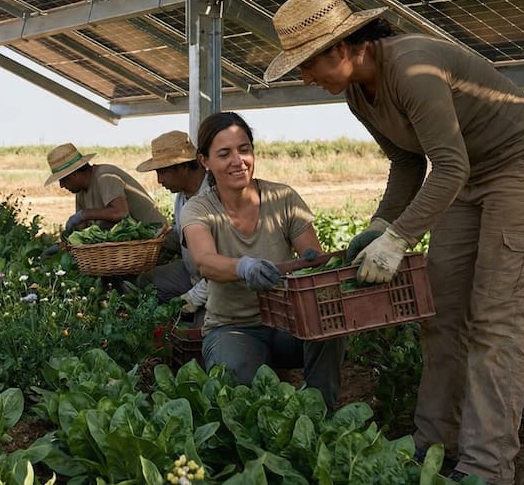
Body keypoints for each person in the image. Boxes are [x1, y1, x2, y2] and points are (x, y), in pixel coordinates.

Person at [265, 0, 524, 485]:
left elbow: (447, 167)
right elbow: (409, 160)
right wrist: (381, 225)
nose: (305, 76)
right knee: (441, 314)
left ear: (341, 48)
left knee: (496, 323)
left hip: (523, 166)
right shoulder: (358, 97)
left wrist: (400, 238)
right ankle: (431, 446)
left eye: (307, 63)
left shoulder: (410, 67)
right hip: (465, 178)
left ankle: (485, 468)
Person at [180, 111, 345, 409]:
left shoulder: (283, 198)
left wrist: (313, 261)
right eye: (224, 153)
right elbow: (204, 261)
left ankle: (322, 413)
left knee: (328, 325)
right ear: (204, 161)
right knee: (238, 393)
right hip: (233, 326)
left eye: (244, 149)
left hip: (288, 322)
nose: (238, 161)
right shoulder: (198, 209)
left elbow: (314, 261)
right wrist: (243, 267)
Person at [134, 130, 210, 314]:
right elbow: (179, 234)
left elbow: (229, 261)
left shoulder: (214, 197)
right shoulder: (182, 196)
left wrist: (194, 298)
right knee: (146, 281)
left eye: (162, 172)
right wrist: (150, 246)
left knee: (201, 322)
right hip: (192, 274)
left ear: (183, 166)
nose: (159, 180)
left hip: (217, 283)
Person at [44, 142, 166, 234]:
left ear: (74, 174)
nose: (61, 185)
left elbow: (121, 213)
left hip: (156, 239)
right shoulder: (80, 192)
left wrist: (84, 214)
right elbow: (83, 229)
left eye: (62, 179)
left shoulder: (105, 176)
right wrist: (66, 244)